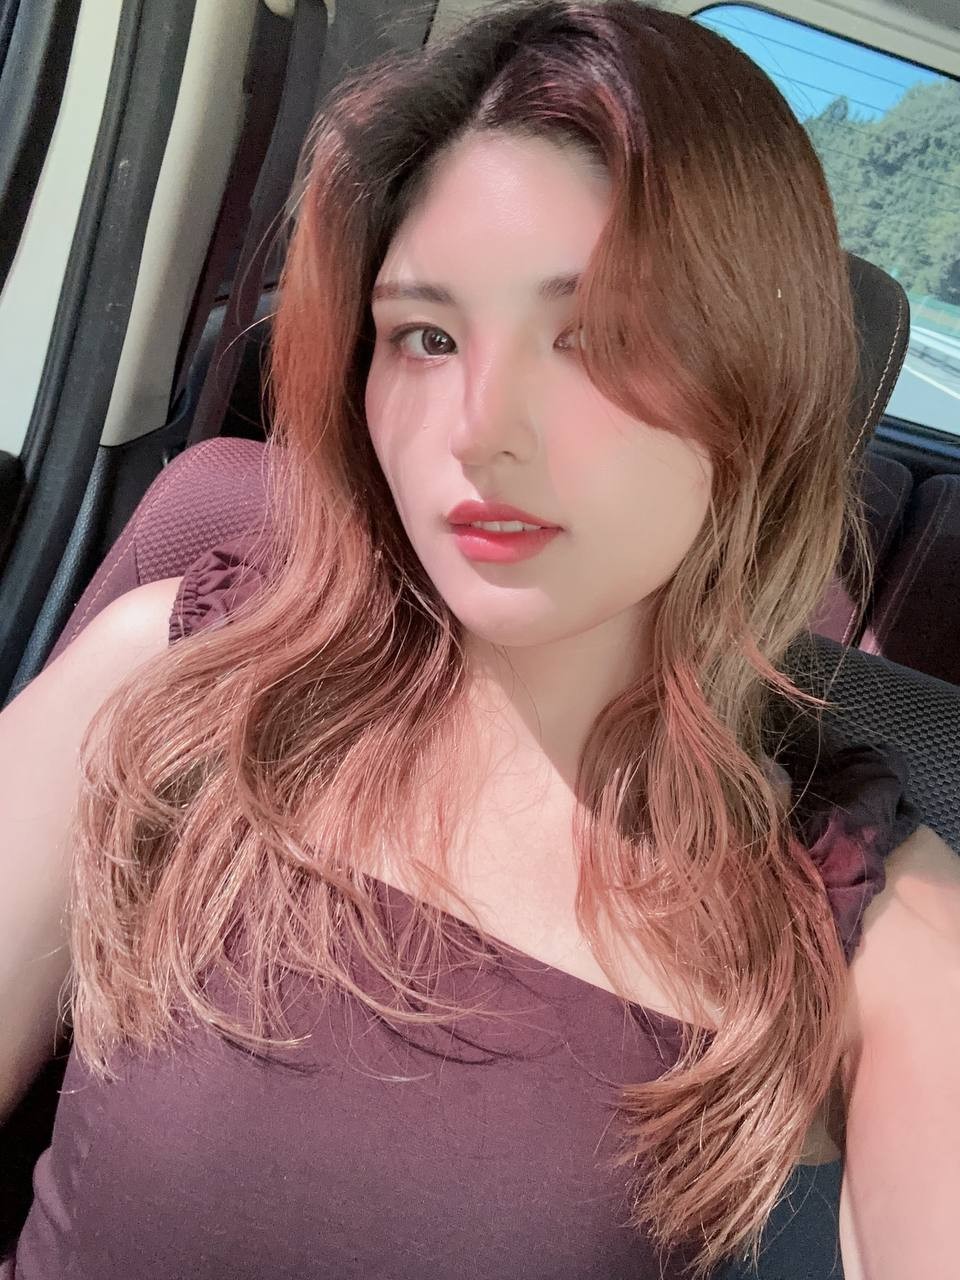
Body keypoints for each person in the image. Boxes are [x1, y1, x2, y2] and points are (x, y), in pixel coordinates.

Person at [1, 3, 957, 1278]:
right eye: (428, 336)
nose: (477, 424)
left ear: (759, 385)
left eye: (599, 336)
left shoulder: (859, 916)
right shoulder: (167, 675)